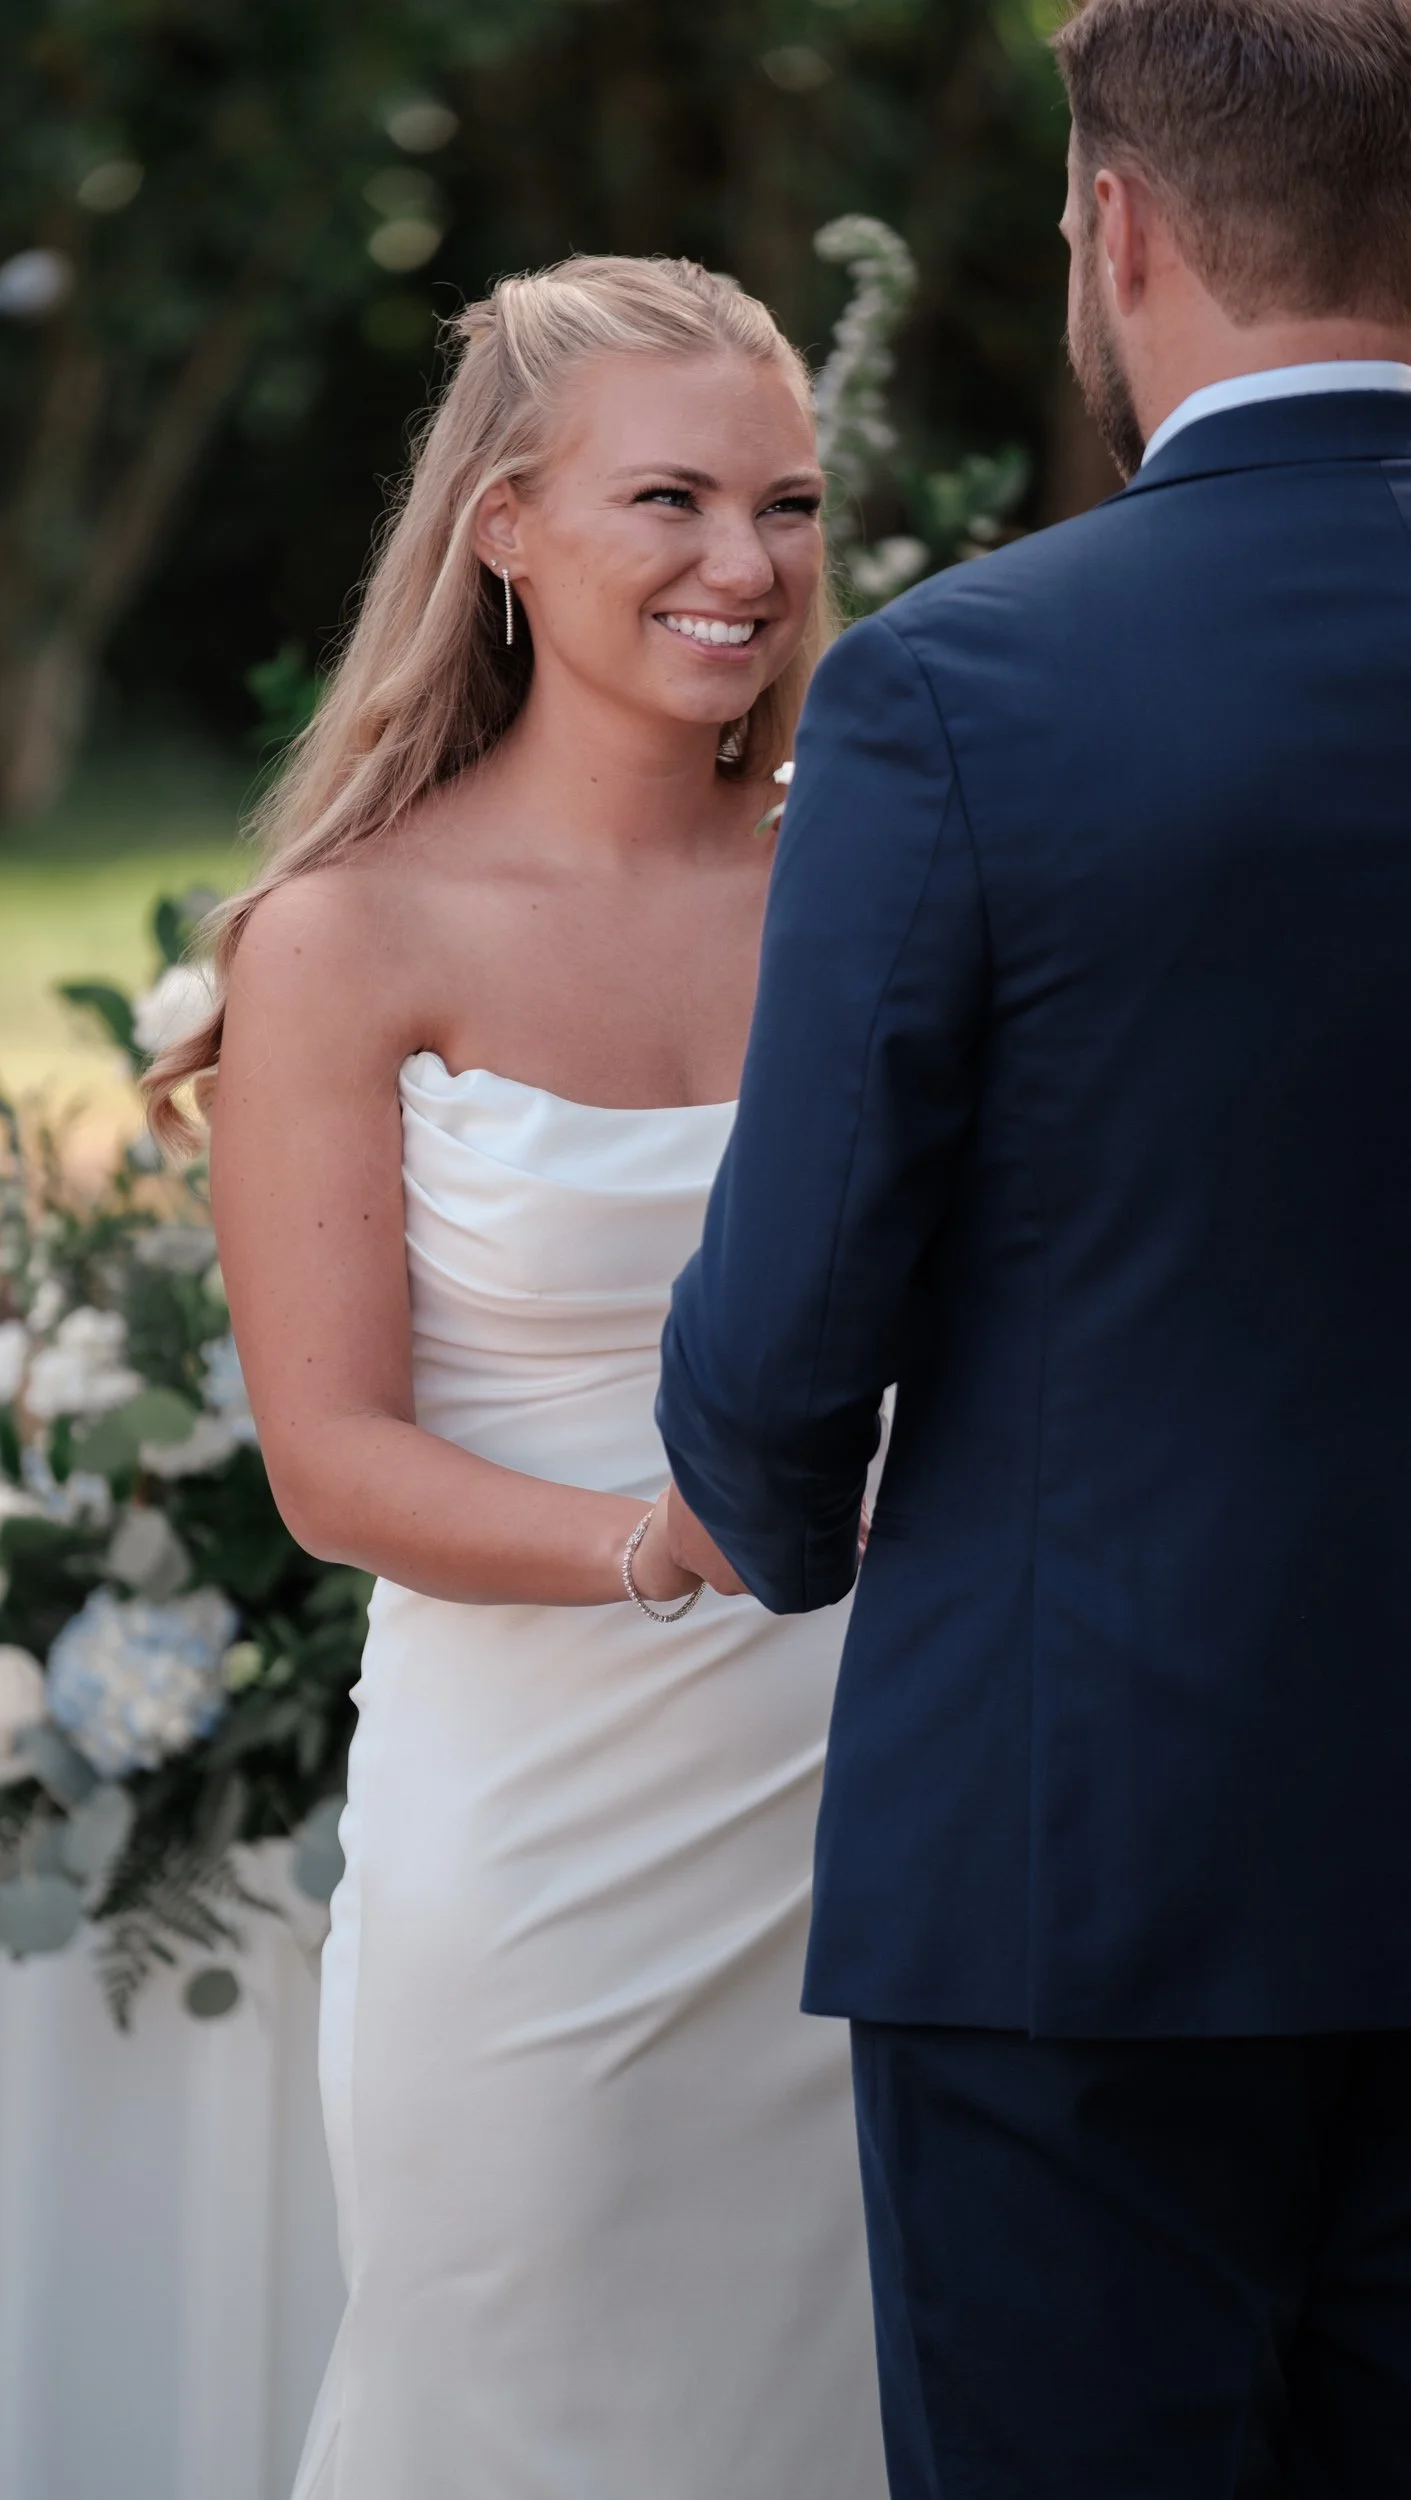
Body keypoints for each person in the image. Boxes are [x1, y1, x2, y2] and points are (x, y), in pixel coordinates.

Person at [656, 1, 1411, 2492]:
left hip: (1086, 1843)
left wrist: (769, 1513)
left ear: (1116, 224)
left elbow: (789, 1326)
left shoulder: (962, 687)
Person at [145, 256, 890, 2499]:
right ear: (502, 527)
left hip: (884, 1798)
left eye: (784, 503)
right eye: (669, 498)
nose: (742, 562)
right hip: (543, 1834)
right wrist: (666, 1544)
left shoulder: (877, 879)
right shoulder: (345, 934)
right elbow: (332, 1463)